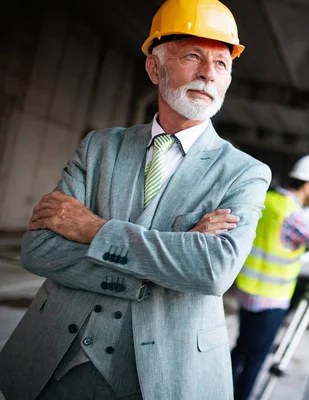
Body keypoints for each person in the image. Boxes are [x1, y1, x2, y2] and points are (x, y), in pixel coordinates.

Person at [0, 1, 270, 399]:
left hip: (162, 377)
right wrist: (173, 260)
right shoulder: (99, 148)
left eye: (221, 63)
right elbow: (39, 251)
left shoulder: (245, 172)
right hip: (52, 362)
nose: (207, 74)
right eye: (193, 56)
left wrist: (91, 230)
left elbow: (212, 271)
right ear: (154, 68)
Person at [230, 154, 309, 400]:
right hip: (271, 300)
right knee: (255, 360)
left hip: (247, 292)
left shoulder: (268, 199)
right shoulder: (293, 215)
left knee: (240, 351)